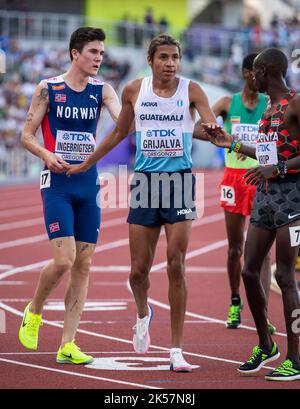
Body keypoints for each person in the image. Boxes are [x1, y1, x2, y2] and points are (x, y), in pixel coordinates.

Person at [66, 34, 217, 372]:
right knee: (138, 272)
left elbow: (207, 126)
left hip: (179, 182)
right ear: (150, 60)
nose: (171, 63)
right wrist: (88, 163)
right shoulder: (135, 90)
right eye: (164, 57)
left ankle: (176, 349)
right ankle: (143, 312)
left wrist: (214, 131)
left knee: (176, 264)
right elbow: (119, 133)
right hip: (146, 185)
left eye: (175, 57)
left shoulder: (191, 90)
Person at [18, 27, 121, 364]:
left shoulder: (103, 91)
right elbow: (26, 135)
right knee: (65, 260)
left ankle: (68, 343)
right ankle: (34, 310)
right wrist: (47, 155)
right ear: (75, 53)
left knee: (84, 264)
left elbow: (123, 122)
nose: (99, 58)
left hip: (88, 183)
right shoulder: (48, 89)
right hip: (58, 183)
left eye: (102, 53)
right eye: (93, 52)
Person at [202, 48, 300, 381]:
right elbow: (265, 153)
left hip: (294, 201)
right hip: (266, 197)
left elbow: (280, 161)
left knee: (285, 276)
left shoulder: (295, 103)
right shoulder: (269, 109)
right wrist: (231, 144)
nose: (251, 76)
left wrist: (280, 168)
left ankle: (296, 359)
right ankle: (266, 344)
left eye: (256, 71)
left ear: (269, 71)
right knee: (248, 270)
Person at [211, 53, 275, 332]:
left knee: (263, 252)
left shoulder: (269, 104)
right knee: (235, 247)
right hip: (233, 179)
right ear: (246, 72)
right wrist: (221, 138)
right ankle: (235, 300)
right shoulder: (227, 103)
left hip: (261, 177)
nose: (259, 76)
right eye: (256, 71)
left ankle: (263, 314)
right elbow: (203, 127)